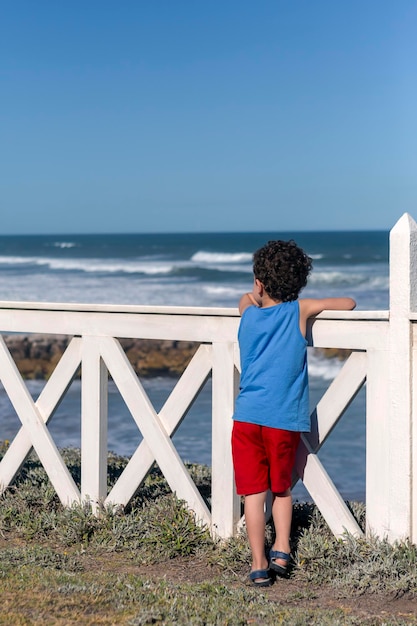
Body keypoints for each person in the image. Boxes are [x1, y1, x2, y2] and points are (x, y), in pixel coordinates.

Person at [232, 239, 356, 587]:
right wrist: (309, 303)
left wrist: (253, 295)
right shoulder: (299, 311)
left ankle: (258, 565)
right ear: (298, 284)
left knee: (253, 494)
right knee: (282, 489)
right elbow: (348, 303)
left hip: (246, 418)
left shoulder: (249, 314)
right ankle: (283, 549)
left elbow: (243, 301)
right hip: (283, 420)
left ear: (259, 283)